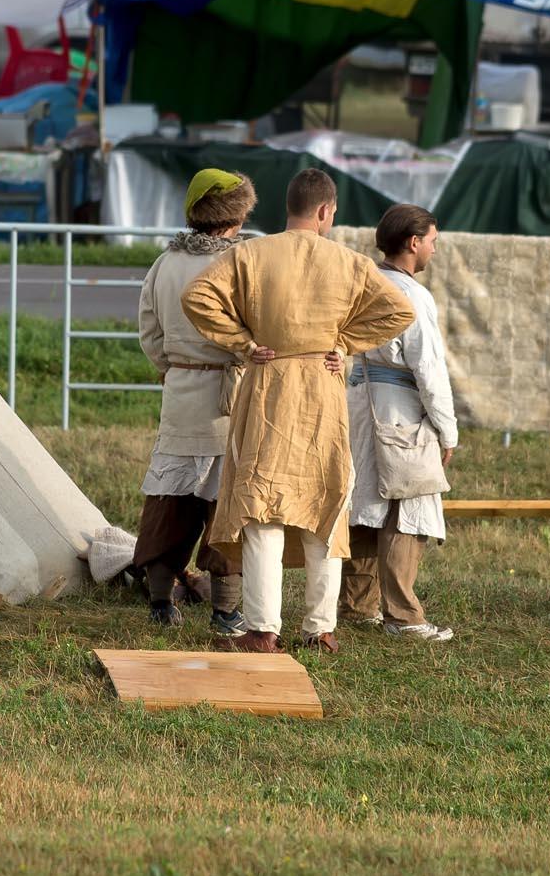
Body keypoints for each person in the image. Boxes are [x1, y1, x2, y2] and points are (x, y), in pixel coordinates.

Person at [181, 168, 413, 656]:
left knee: (262, 508)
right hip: (323, 391)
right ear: (326, 211)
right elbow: (399, 311)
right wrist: (345, 342)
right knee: (323, 510)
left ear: (288, 207)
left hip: (268, 385)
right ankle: (320, 628)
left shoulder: (250, 253)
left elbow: (196, 297)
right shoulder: (348, 261)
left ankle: (263, 629)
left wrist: (243, 343)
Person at [131, 168, 256, 636]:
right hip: (231, 395)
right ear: (237, 213)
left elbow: (149, 330)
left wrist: (173, 367)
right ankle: (226, 612)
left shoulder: (165, 262)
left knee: (169, 500)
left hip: (181, 391)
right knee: (228, 504)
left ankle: (161, 600)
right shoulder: (243, 261)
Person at [343, 204, 458, 643]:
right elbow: (428, 367)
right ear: (414, 243)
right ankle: (404, 617)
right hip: (400, 408)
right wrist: (447, 429)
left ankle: (356, 604)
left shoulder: (363, 282)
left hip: (360, 399)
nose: (433, 249)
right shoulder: (413, 295)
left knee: (364, 503)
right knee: (407, 506)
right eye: (432, 240)